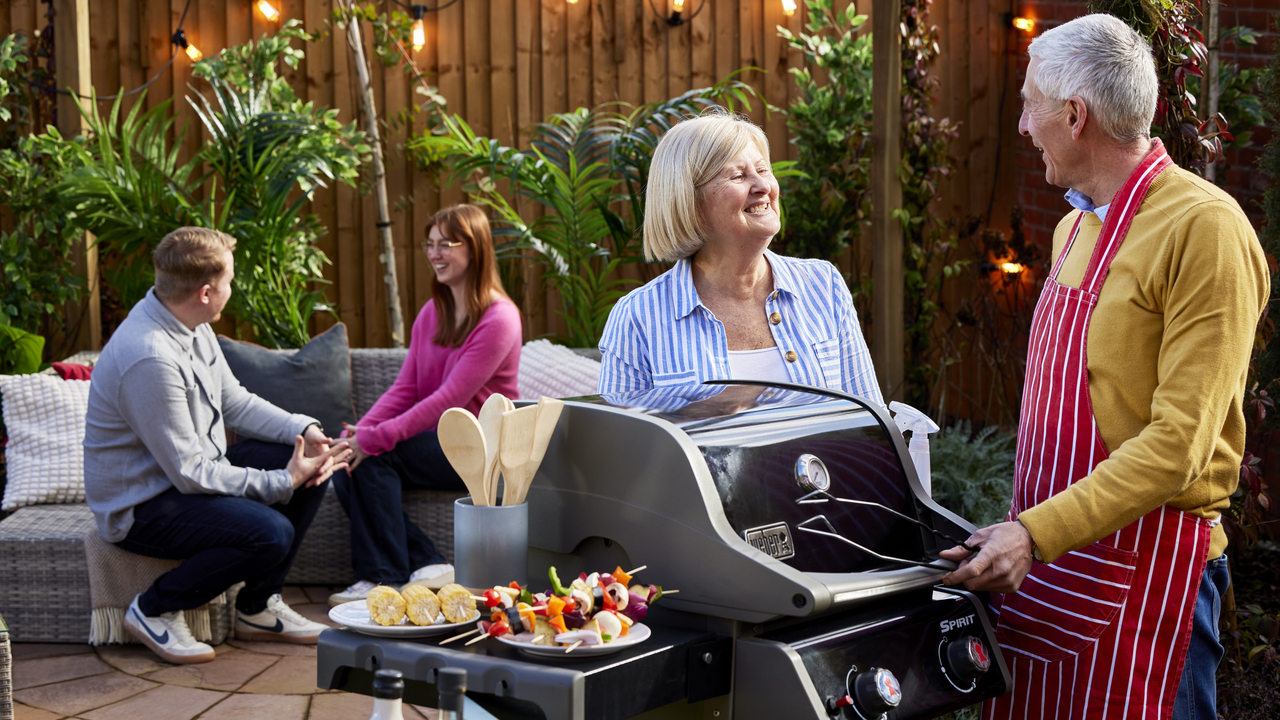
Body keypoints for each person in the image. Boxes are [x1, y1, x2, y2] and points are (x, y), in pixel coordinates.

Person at [939, 14, 1269, 719]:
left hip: (1152, 573)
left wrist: (1035, 532)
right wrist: (1024, 534)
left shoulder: (1204, 229)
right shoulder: (1073, 225)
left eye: (1030, 104)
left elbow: (1179, 446)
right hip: (1051, 570)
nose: (1024, 126)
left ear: (1074, 114)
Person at [84, 227, 352, 665]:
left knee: (311, 465)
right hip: (143, 505)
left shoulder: (188, 321)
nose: (233, 288)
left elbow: (234, 401)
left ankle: (257, 608)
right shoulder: (150, 355)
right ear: (207, 292)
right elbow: (190, 474)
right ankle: (154, 608)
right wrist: (283, 480)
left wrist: (302, 429)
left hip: (186, 475)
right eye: (230, 280)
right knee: (270, 533)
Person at [597, 108, 883, 406]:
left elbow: (869, 424)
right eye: (738, 176)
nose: (763, 187)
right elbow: (622, 446)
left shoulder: (823, 285)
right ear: (688, 201)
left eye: (762, 170)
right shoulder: (638, 316)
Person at [330, 204, 522, 606]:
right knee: (348, 465)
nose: (434, 253)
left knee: (380, 455)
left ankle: (383, 577)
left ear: (474, 248)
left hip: (483, 449)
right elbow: (406, 388)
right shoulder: (433, 313)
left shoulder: (500, 319)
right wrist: (358, 434)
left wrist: (375, 439)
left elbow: (446, 400)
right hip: (439, 443)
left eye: (445, 244)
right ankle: (426, 563)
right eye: (429, 244)